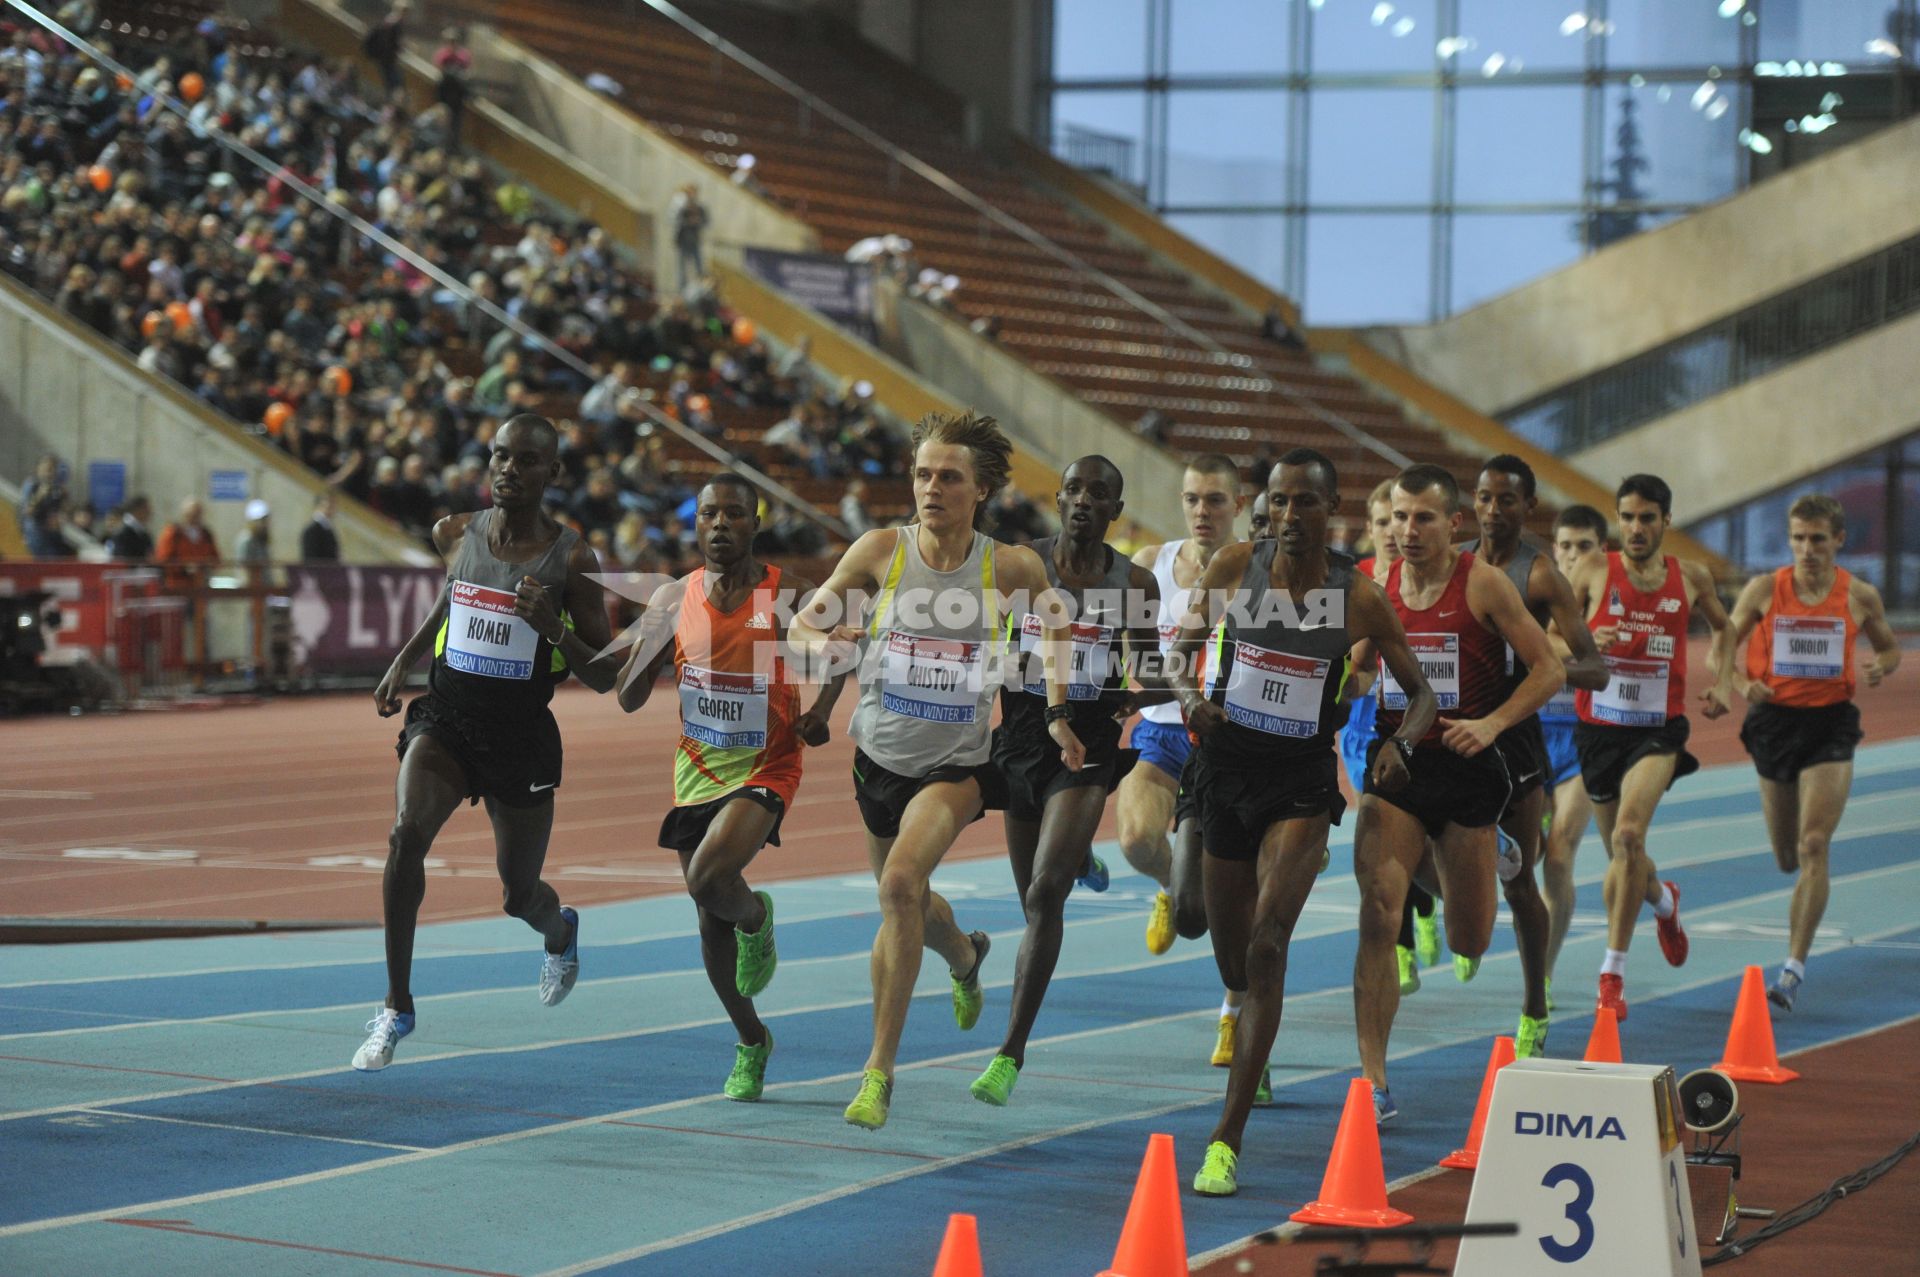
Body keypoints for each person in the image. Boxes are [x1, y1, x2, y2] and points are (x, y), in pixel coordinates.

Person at [790, 411, 1083, 1131]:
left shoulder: (1008, 565)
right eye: (922, 473)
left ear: (980, 488)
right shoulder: (880, 550)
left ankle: (877, 1073)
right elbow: (802, 621)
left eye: (948, 476)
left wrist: (1054, 710)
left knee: (897, 887)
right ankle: (964, 952)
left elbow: (1059, 627)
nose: (931, 487)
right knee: (912, 904)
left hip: (956, 766)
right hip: (878, 759)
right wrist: (826, 636)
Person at [1185, 450, 1433, 1196]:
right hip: (1224, 770)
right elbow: (1175, 648)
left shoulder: (1358, 598)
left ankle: (1226, 1138)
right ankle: (1251, 1038)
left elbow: (1421, 695)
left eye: (1307, 504)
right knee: (1233, 959)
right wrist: (1188, 697)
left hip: (1297, 781)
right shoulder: (1235, 564)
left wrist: (1402, 742)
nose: (1292, 516)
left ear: (1333, 512)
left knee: (1267, 946)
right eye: (1281, 502)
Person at [352, 415, 617, 1071]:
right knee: (405, 834)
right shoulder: (455, 531)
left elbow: (608, 674)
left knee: (517, 895)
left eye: (526, 460)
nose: (507, 469)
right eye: (499, 455)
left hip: (519, 736)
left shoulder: (574, 561)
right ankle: (396, 1005)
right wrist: (402, 662)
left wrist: (553, 627)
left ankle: (561, 932)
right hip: (447, 718)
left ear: (552, 473)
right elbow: (453, 599)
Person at [617, 474, 847, 1100]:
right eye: (709, 514)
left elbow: (847, 648)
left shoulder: (785, 591)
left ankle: (757, 917)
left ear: (755, 524)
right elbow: (630, 696)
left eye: (734, 515)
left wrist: (823, 710)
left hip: (768, 764)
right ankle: (751, 1041)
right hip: (696, 772)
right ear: (696, 527)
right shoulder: (675, 597)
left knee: (707, 880)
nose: (720, 525)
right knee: (706, 923)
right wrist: (649, 646)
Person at [1353, 464, 1564, 1123]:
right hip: (1398, 765)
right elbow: (1358, 674)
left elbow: (1550, 667)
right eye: (1397, 518)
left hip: (1471, 767)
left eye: (1422, 518)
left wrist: (1493, 723)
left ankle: (1488, 854)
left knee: (1470, 940)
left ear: (1454, 524)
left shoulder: (1484, 584)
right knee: (1379, 912)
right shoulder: (1373, 586)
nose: (1407, 530)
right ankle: (1374, 1081)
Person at [969, 456, 1163, 1107]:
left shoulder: (1133, 582)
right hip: (1022, 738)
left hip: (1087, 747)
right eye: (1074, 489)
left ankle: (1008, 1051)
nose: (1083, 501)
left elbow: (1159, 673)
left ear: (1115, 510)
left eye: (1098, 493)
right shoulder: (1023, 566)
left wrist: (1124, 700)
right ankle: (1077, 848)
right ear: (1057, 498)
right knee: (1032, 895)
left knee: (1046, 894)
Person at [1721, 494, 1899, 1011]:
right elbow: (1722, 645)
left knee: (1814, 844)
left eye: (1818, 539)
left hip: (1831, 726)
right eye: (1798, 538)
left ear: (1838, 540)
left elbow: (1888, 647)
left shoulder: (1858, 595)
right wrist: (1738, 681)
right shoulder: (1764, 589)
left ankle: (1793, 970)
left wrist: (1881, 666)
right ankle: (1795, 939)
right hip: (1773, 723)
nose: (1806, 549)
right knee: (1784, 856)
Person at [1567, 473, 1732, 1022]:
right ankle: (1664, 901)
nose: (1636, 528)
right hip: (1599, 731)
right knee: (1622, 853)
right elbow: (1544, 636)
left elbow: (1726, 629)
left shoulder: (1691, 577)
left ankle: (1611, 974)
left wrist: (1724, 679)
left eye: (1646, 518)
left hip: (1658, 730)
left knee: (1629, 835)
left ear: (1666, 521)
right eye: (1628, 517)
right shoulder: (1593, 570)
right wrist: (1587, 644)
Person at [1464, 456, 1609, 1057]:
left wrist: (1540, 668)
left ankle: (1534, 1002)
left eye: (1506, 501)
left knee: (1524, 882)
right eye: (1484, 498)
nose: (1493, 511)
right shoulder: (1455, 565)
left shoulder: (1543, 575)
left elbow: (1595, 669)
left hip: (1518, 738)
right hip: (1460, 731)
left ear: (1528, 509)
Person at [1113, 453, 1247, 1063]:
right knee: (1137, 839)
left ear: (1238, 507)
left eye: (1215, 500)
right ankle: (1171, 884)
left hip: (1230, 742)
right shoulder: (1151, 566)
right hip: (1165, 733)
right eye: (1192, 499)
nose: (1201, 511)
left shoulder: (1258, 575)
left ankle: (1234, 1012)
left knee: (1230, 899)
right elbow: (1129, 646)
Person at [1339, 480, 1442, 994]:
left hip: (1418, 719)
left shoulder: (1422, 580)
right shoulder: (1356, 581)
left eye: (1397, 521)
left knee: (1416, 839)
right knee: (1382, 838)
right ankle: (1401, 947)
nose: (1390, 532)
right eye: (1381, 523)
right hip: (1364, 726)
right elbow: (1357, 667)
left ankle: (1424, 907)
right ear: (1371, 528)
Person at [1539, 504, 1610, 1003]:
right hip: (1530, 739)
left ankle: (1542, 974)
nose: (1572, 556)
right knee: (1523, 858)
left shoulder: (1609, 601)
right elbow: (1532, 648)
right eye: (1564, 545)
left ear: (1601, 552)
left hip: (1582, 742)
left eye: (1584, 546)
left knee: (1560, 856)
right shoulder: (1531, 594)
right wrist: (1577, 651)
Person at [670, 184, 708, 293]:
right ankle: (681, 291)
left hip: (695, 240)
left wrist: (697, 222)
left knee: (699, 267)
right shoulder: (681, 207)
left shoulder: (700, 207)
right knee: (682, 269)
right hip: (683, 240)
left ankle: (702, 290)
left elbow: (706, 221)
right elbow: (675, 220)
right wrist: (687, 222)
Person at [106, 495, 155, 562]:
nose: (150, 512)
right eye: (146, 508)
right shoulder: (122, 533)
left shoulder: (143, 532)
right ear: (138, 510)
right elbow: (122, 560)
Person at [302, 490, 342, 563]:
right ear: (319, 505)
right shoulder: (312, 531)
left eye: (334, 504)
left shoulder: (328, 528)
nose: (334, 507)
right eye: (330, 503)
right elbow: (311, 562)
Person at [236, 499, 273, 564]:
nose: (265, 524)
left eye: (265, 520)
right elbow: (244, 567)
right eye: (262, 520)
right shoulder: (246, 540)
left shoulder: (261, 537)